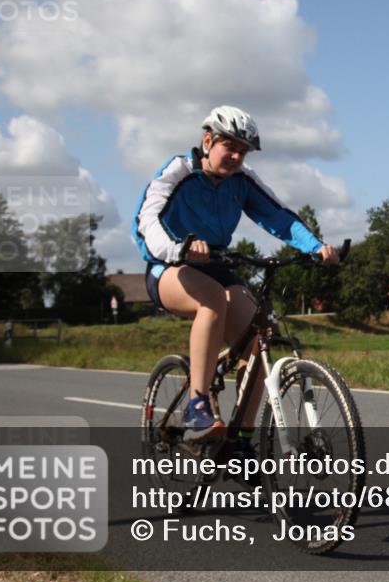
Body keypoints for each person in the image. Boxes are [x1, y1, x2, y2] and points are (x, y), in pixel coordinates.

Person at [133, 106, 339, 442]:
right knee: (212, 300)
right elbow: (146, 223)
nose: (236, 157)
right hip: (168, 265)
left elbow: (280, 217)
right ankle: (197, 404)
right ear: (207, 140)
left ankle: (241, 438)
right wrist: (179, 248)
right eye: (229, 147)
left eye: (242, 152)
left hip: (217, 265)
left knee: (261, 335)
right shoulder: (178, 172)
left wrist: (315, 247)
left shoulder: (241, 181)